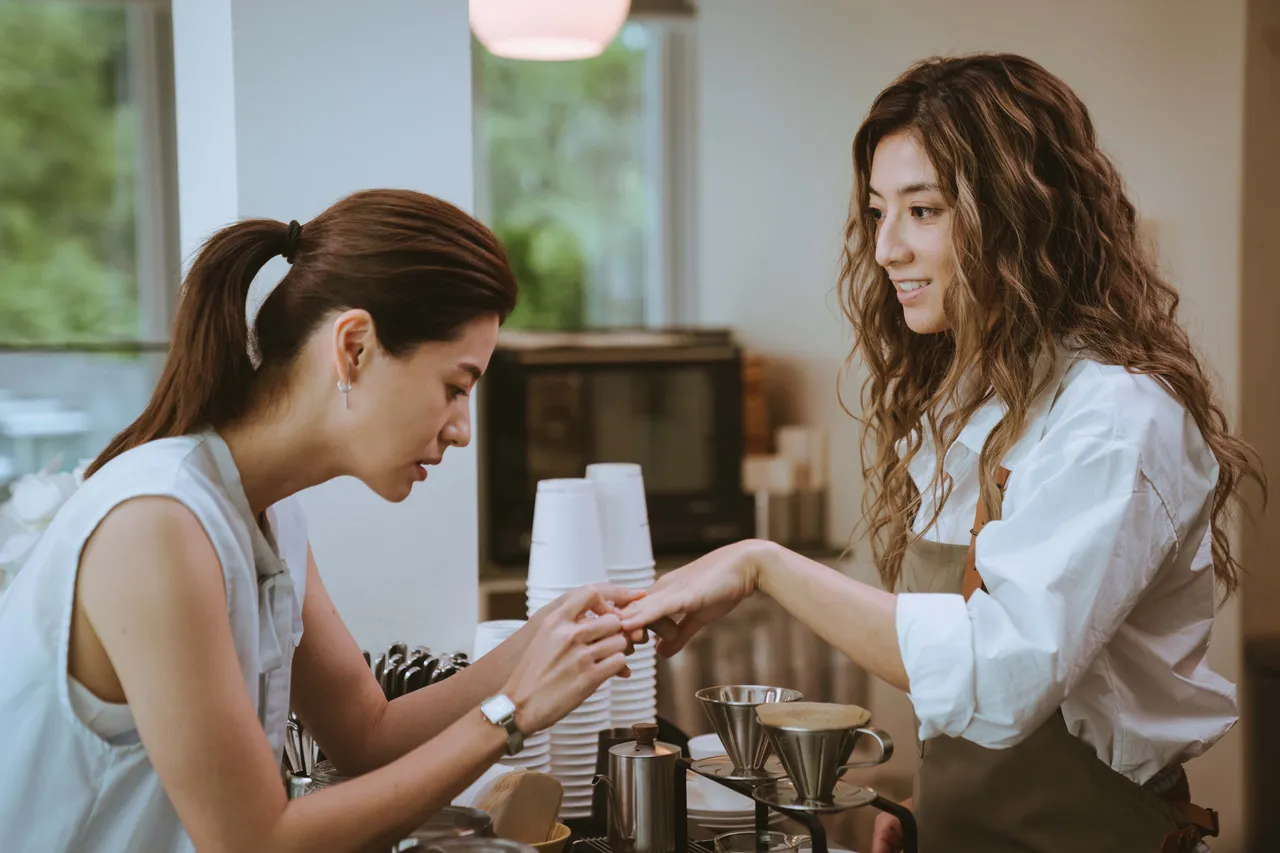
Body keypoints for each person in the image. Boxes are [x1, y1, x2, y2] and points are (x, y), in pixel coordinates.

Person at [621, 54, 1265, 853]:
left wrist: (763, 564)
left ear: (1020, 216)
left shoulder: (1114, 417)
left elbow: (999, 674)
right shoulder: (973, 404)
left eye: (922, 210)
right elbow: (971, 677)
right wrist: (929, 798)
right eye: (877, 211)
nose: (886, 247)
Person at [0, 189, 640, 852]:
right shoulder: (158, 525)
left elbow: (367, 735)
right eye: (455, 387)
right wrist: (512, 714)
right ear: (354, 347)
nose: (462, 430)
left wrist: (547, 638)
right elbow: (256, 842)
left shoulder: (267, 513)